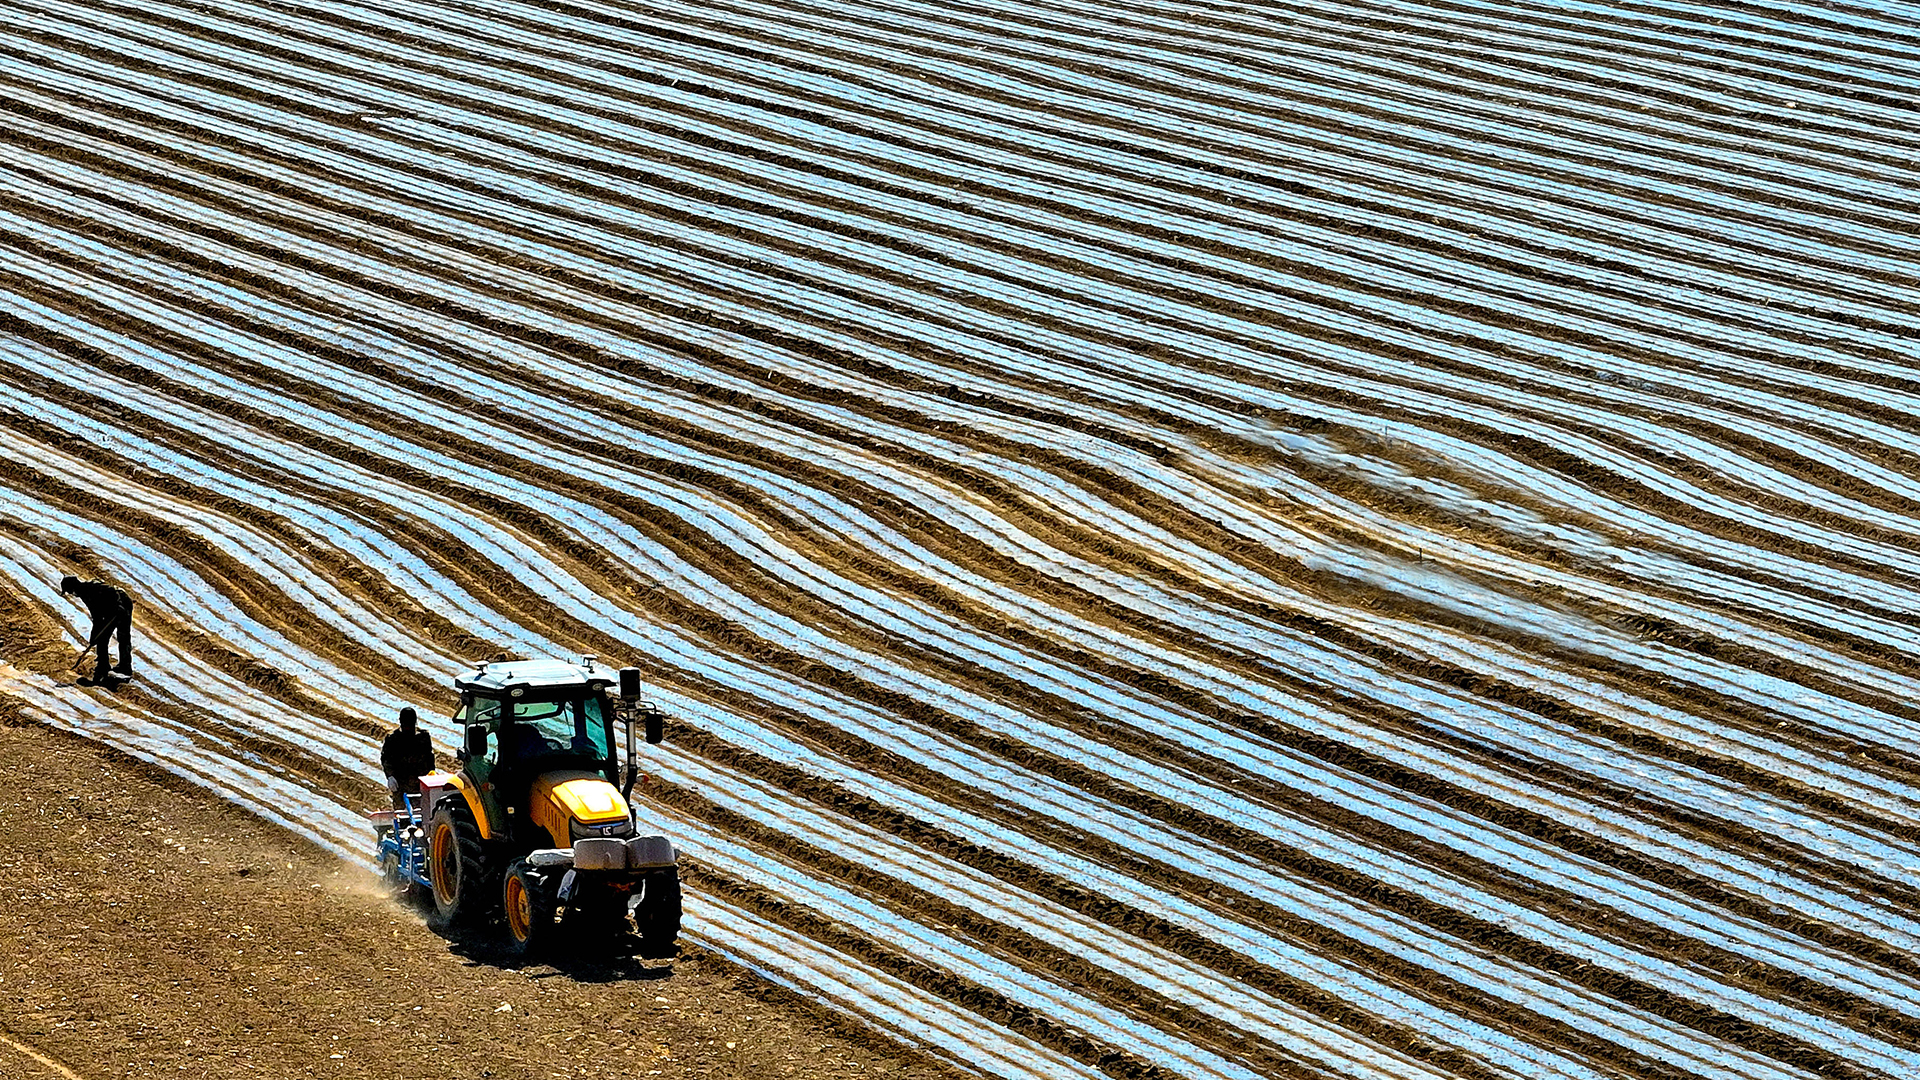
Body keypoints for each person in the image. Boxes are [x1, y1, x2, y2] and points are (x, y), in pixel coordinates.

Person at [61, 575, 133, 684]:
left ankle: (124, 667)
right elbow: (97, 616)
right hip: (111, 609)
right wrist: (94, 635)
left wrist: (118, 606)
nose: (71, 594)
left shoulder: (93, 588)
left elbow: (111, 592)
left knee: (123, 636)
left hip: (123, 604)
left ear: (73, 587)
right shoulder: (84, 594)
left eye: (70, 591)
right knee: (101, 639)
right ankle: (104, 666)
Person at [380, 707, 435, 815]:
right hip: (400, 785)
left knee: (423, 814)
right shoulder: (393, 739)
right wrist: (390, 776)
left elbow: (429, 757)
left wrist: (431, 774)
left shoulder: (423, 737)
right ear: (400, 722)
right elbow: (386, 759)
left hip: (420, 784)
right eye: (406, 723)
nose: (408, 727)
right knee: (402, 814)